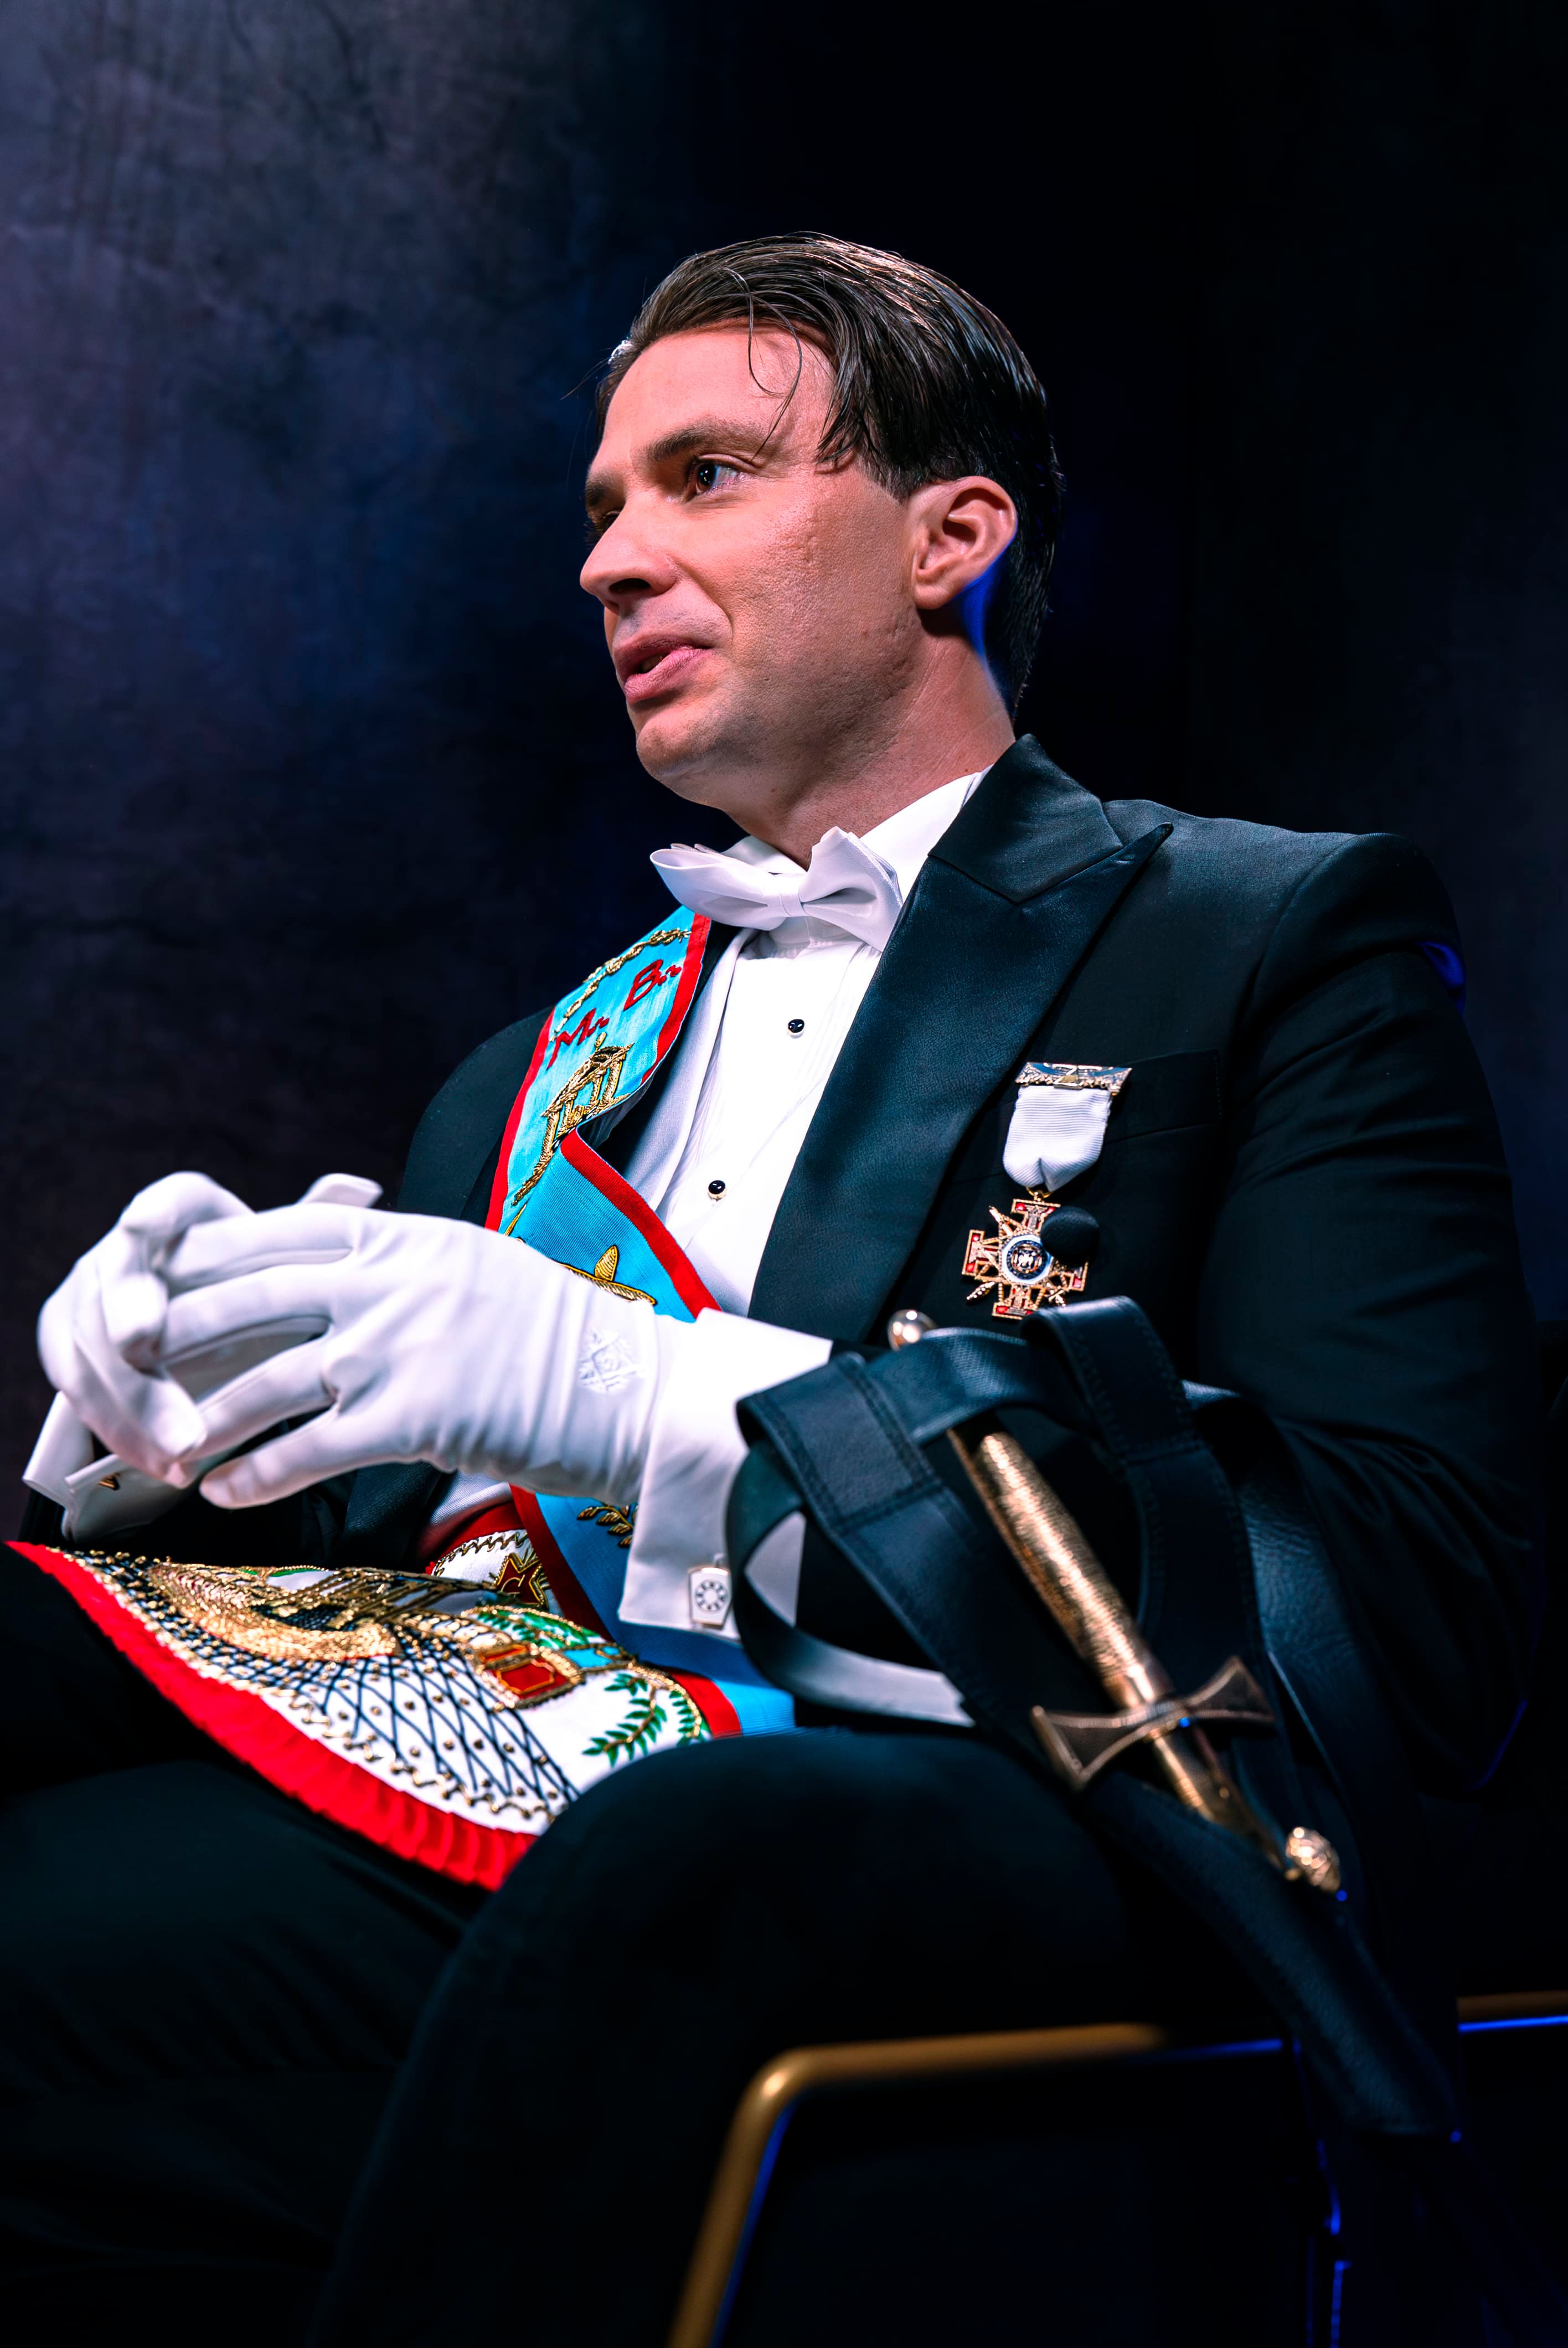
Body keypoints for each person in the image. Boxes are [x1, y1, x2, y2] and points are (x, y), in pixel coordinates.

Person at [2, 235, 1537, 2344]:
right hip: (523, 1809)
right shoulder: (532, 1073)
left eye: (707, 475)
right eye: (608, 506)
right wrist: (170, 1450)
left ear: (950, 536)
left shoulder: (1266, 941)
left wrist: (664, 1401)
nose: (611, 563)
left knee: (685, 1853)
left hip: (973, 1829)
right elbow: (409, 1603)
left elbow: (1400, 1625)